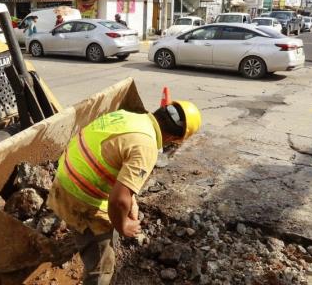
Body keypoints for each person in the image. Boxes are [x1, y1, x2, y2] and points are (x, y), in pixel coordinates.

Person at [48, 100, 202, 285]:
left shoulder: (130, 117)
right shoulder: (147, 147)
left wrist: (132, 200)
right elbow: (118, 201)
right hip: (79, 198)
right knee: (102, 268)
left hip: (65, 175)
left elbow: (115, 159)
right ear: (176, 139)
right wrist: (123, 225)